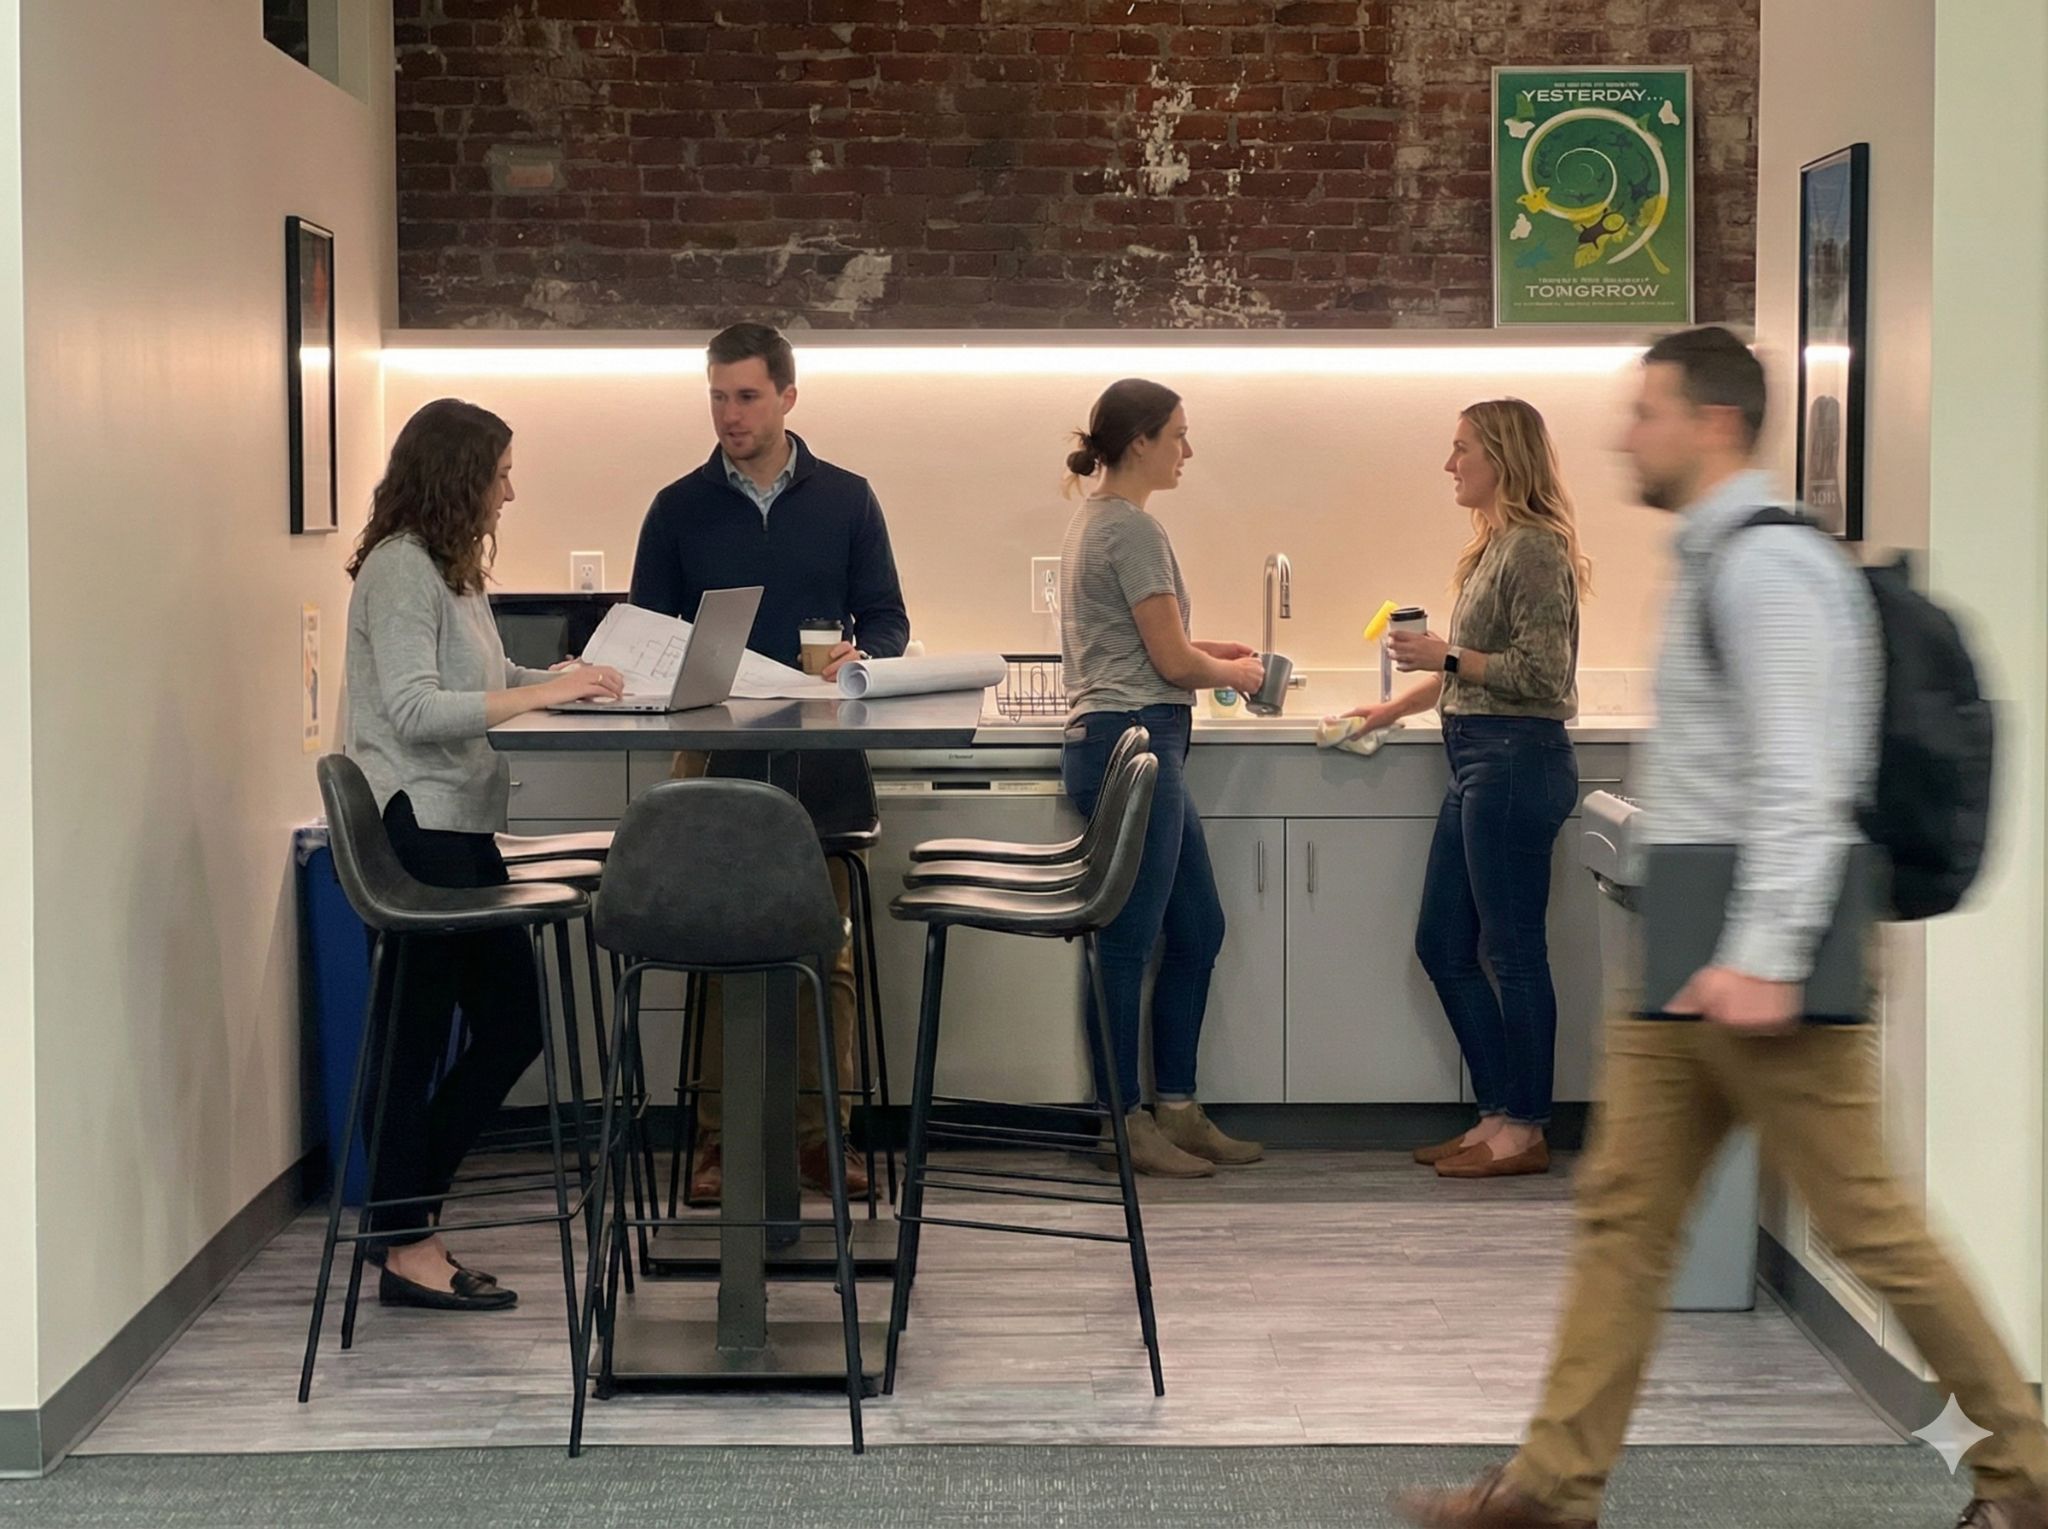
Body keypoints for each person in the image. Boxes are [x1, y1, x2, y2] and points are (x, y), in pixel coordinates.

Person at [1396, 329, 2048, 1528]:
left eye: (1644, 412)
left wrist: (1760, 954)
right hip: (1690, 937)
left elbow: (1807, 779)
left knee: (1869, 1226)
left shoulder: (1768, 571)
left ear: (1710, 425)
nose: (1621, 434)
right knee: (1624, 1217)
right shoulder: (1711, 562)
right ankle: (1549, 1485)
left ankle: (2026, 1466)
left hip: (1764, 957)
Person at [342, 398, 624, 1311]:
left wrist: (572, 685)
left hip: (457, 827)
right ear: (463, 475)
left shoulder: (453, 573)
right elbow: (417, 709)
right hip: (415, 830)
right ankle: (405, 1237)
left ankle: (404, 1224)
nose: (512, 488)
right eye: (502, 470)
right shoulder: (397, 572)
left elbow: (489, 683)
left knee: (509, 1027)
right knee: (418, 1037)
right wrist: (542, 699)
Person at [629, 321, 910, 1204]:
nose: (728, 414)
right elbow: (645, 633)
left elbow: (892, 623)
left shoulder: (849, 499)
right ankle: (717, 1144)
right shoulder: (677, 507)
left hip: (821, 759)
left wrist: (858, 658)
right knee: (717, 949)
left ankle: (820, 1136)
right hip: (714, 755)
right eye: (716, 396)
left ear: (789, 396)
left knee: (823, 949)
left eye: (746, 396)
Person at [1334, 400, 1589, 1180]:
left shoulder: (1536, 550)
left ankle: (1527, 1128)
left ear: (1502, 458)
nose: (1450, 465)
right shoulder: (1494, 548)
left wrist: (1446, 657)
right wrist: (1391, 703)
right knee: (1444, 944)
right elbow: (1470, 667)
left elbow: (1544, 677)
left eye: (1461, 450)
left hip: (1516, 761)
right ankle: (1499, 1113)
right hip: (1480, 759)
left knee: (1514, 954)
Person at [1058, 378, 1268, 1179]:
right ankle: (1125, 1121)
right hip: (1133, 739)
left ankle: (1174, 1107)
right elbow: (1173, 663)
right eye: (1179, 434)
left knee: (1198, 926)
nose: (1188, 449)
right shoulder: (1133, 530)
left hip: (1123, 735)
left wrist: (1223, 654)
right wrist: (1240, 677)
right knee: (1129, 938)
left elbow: (1155, 643)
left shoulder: (1095, 522)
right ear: (1141, 440)